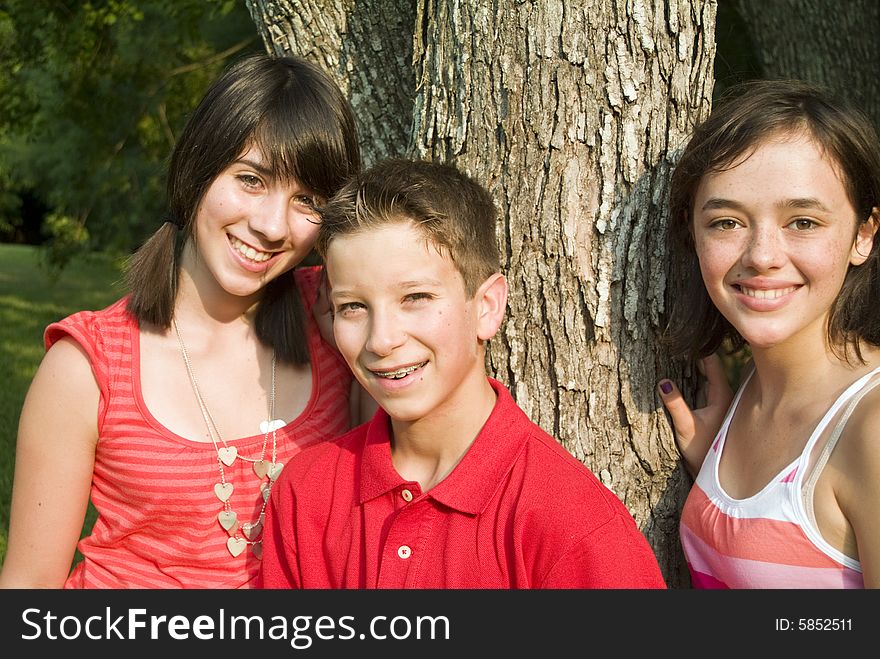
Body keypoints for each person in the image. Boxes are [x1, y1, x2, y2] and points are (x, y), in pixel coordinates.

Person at [0, 53, 368, 589]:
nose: (270, 225)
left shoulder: (341, 324)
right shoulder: (87, 366)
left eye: (306, 200)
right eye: (250, 179)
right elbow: (28, 592)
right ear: (199, 166)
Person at [259, 158, 667, 589]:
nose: (381, 340)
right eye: (353, 307)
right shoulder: (307, 494)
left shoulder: (572, 525)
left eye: (415, 297)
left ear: (487, 307)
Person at [657, 79, 880, 588]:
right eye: (727, 222)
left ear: (862, 235)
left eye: (802, 222)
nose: (761, 255)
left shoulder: (871, 428)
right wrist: (717, 479)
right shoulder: (748, 401)